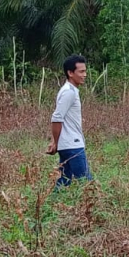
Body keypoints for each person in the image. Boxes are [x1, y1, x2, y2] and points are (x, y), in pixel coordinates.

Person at [46, 54, 93, 186]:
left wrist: (56, 141)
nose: (85, 75)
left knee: (63, 182)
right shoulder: (69, 92)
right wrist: (55, 142)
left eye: (85, 71)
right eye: (81, 71)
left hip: (68, 144)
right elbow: (56, 118)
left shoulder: (70, 90)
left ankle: (53, 203)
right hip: (73, 145)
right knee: (87, 184)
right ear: (70, 73)